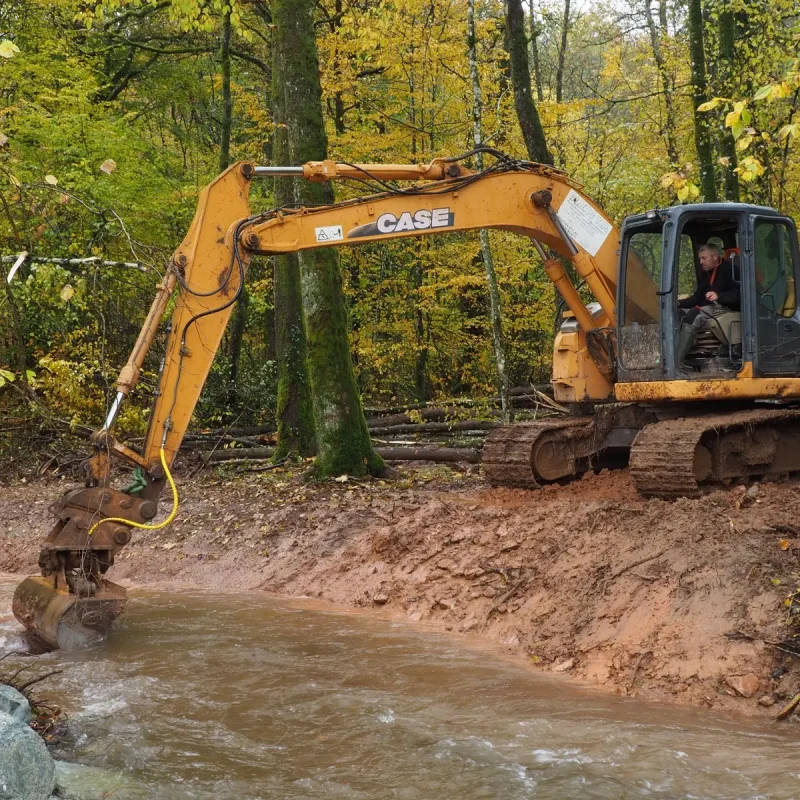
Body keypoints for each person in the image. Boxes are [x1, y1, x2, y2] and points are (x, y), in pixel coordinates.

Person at [676, 243, 741, 370]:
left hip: (726, 308)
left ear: (715, 257)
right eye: (700, 258)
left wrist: (719, 296)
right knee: (677, 313)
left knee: (695, 314)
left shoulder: (731, 270)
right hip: (710, 309)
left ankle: (677, 361)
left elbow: (740, 294)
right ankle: (680, 354)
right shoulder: (705, 274)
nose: (701, 262)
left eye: (704, 258)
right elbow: (697, 298)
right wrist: (679, 304)